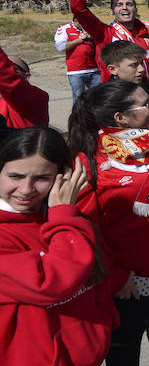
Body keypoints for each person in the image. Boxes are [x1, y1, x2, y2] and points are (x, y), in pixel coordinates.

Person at [70, 80, 149, 366]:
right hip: (129, 276)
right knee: (126, 341)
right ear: (120, 118)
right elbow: (84, 230)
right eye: (146, 104)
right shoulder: (88, 162)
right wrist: (117, 275)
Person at [0, 127, 117, 366]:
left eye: (42, 178)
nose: (26, 190)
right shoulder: (65, 220)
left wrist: (104, 322)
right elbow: (52, 283)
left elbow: (96, 278)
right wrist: (64, 216)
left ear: (63, 177)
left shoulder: (69, 220)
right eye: (15, 176)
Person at [0, 44, 50, 128]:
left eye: (13, 67)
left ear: (27, 76)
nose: (11, 71)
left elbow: (8, 77)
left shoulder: (37, 98)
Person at [55, 17, 100, 102]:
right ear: (75, 21)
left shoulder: (89, 28)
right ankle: (78, 115)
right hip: (76, 71)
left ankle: (95, 115)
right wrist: (80, 40)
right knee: (79, 99)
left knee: (97, 97)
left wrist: (93, 37)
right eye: (82, 23)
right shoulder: (65, 29)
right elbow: (60, 47)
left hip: (95, 70)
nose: (85, 25)